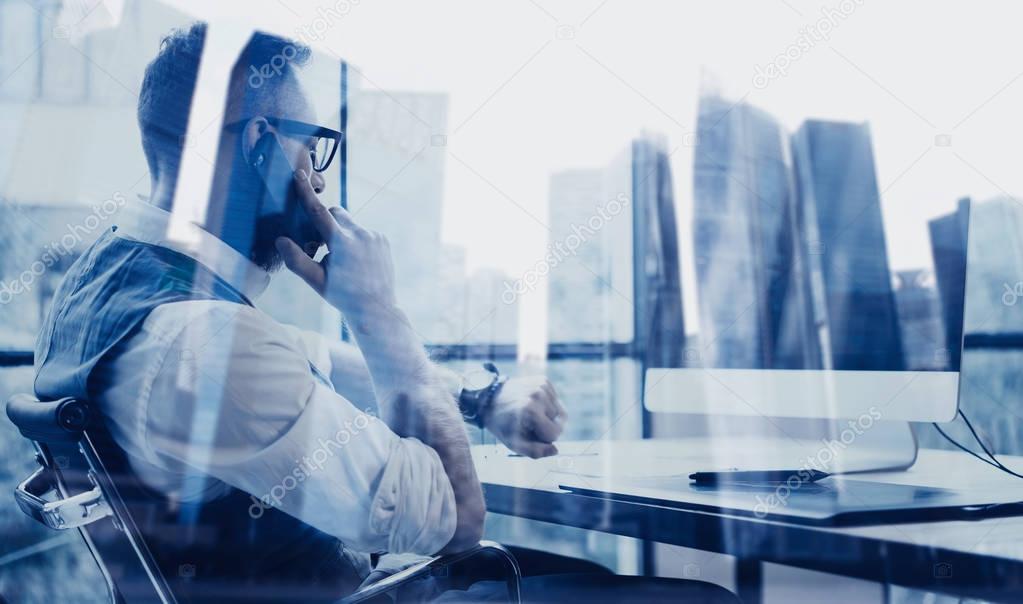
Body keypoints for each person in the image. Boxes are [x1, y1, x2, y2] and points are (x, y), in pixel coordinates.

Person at [33, 22, 737, 603]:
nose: (318, 172)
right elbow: (458, 523)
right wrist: (379, 315)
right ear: (259, 145)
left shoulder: (109, 285)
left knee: (589, 582)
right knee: (695, 598)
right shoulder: (205, 341)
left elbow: (307, 360)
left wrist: (481, 397)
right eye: (312, 146)